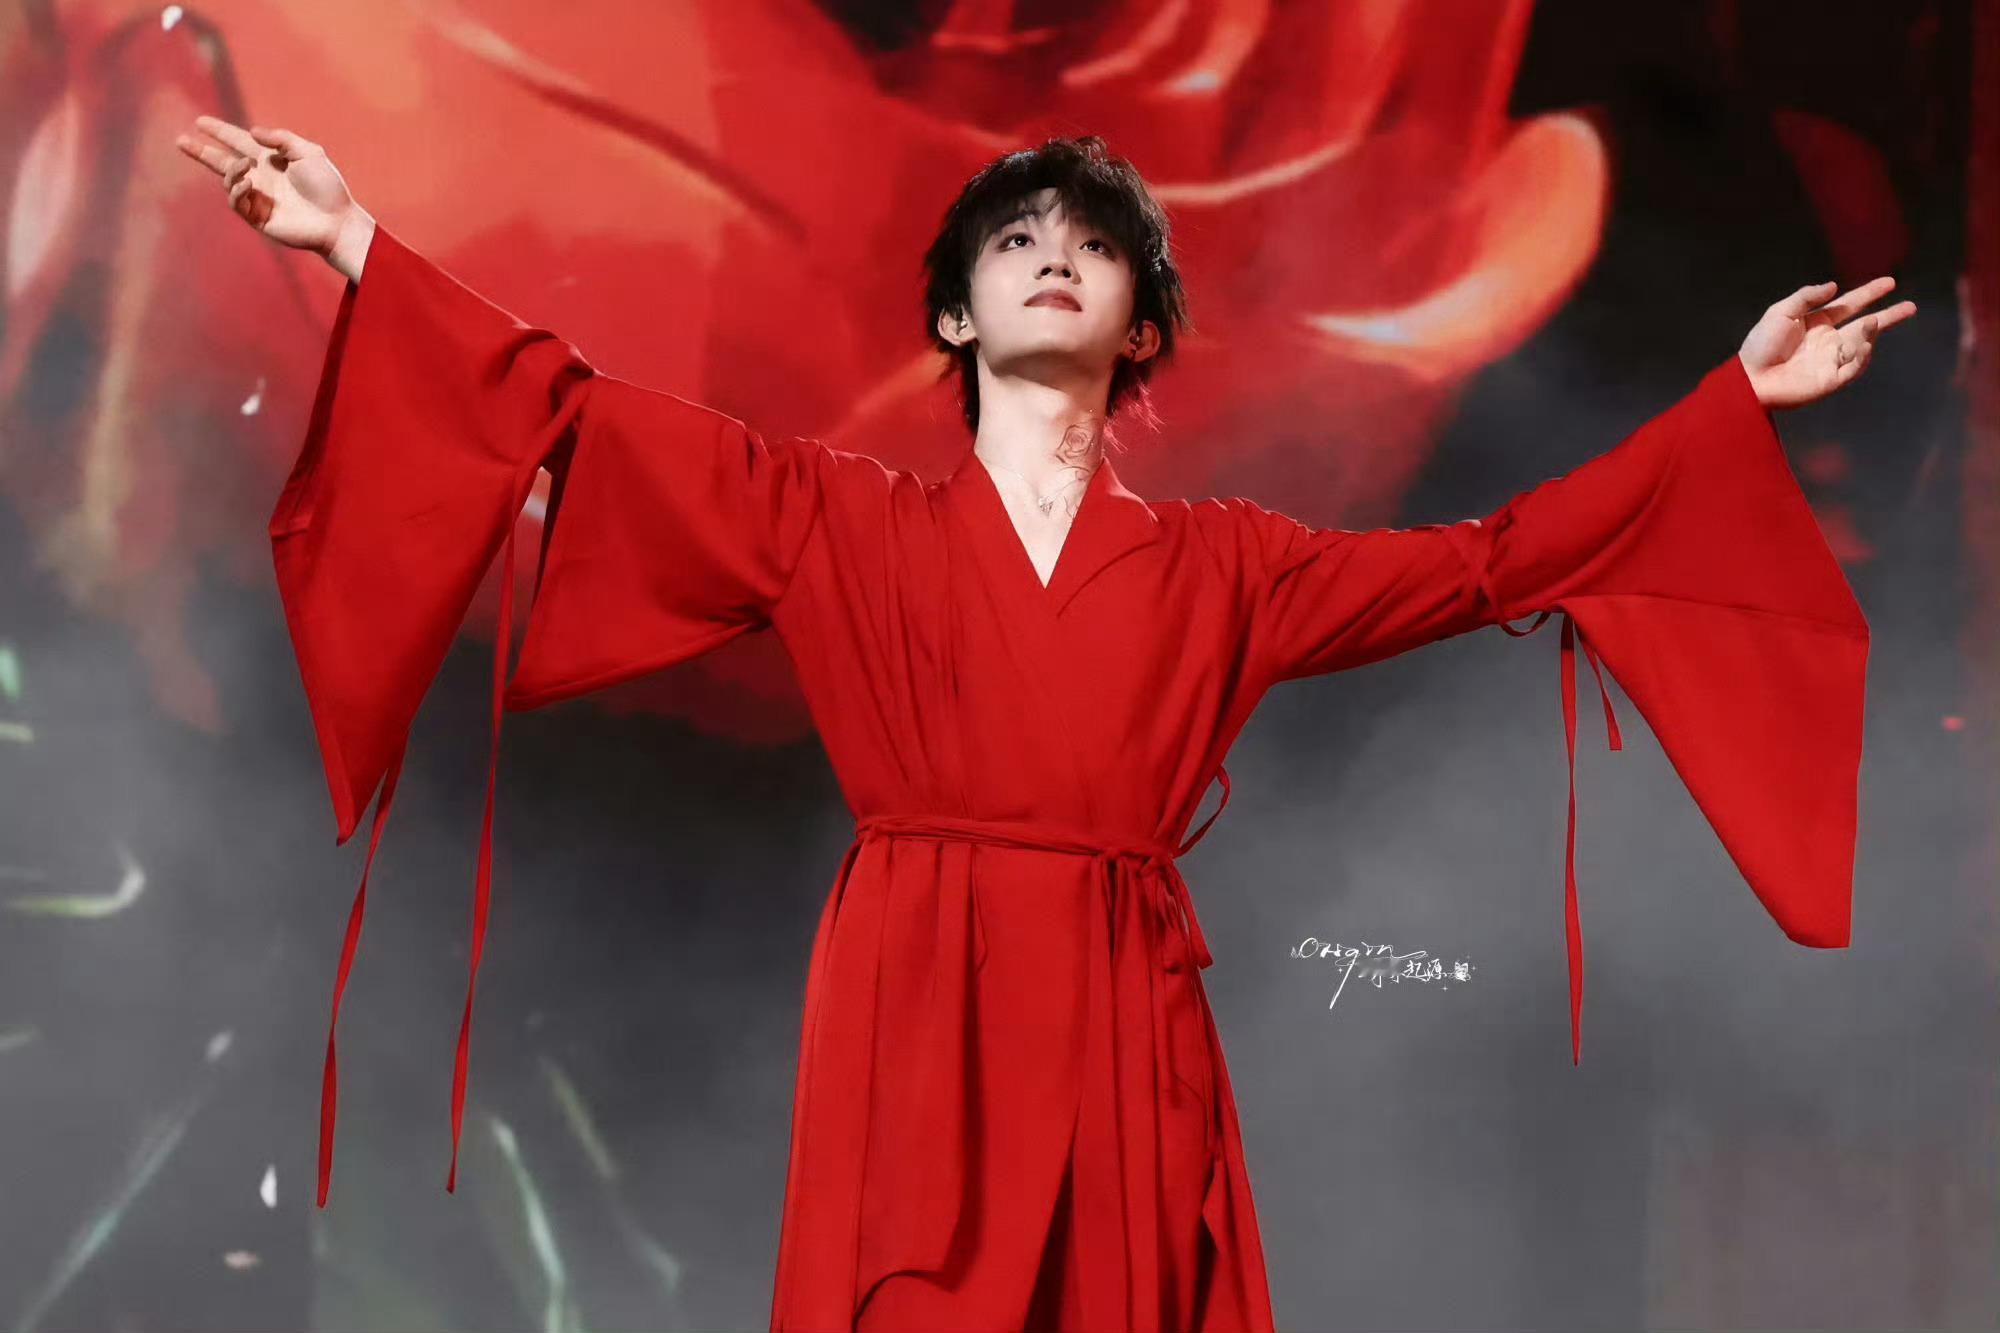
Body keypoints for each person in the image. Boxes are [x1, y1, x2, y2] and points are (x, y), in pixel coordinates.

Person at [176, 115, 1909, 1332]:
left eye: (1092, 248)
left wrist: (1731, 402)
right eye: (1016, 243)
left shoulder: (1230, 566)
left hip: (1122, 1008)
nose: (1055, 261)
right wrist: (351, 242)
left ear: (1144, 324)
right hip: (917, 988)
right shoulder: (831, 517)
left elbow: (1493, 557)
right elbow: (568, 408)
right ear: (955, 311)